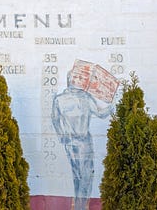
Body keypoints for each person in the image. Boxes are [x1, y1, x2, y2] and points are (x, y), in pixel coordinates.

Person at [51, 61, 115, 210]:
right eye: (78, 77)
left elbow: (55, 121)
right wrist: (112, 107)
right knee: (84, 177)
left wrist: (62, 136)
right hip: (81, 142)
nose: (81, 80)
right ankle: (80, 206)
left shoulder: (65, 99)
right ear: (71, 79)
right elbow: (101, 113)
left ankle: (79, 206)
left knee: (79, 176)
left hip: (72, 142)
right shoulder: (80, 98)